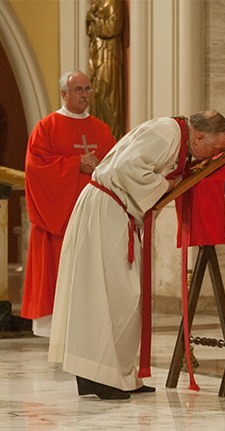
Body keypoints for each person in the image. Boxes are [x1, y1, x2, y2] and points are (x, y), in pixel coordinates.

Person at [48, 111, 225, 400]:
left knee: (117, 296)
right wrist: (169, 185)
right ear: (198, 136)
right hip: (106, 210)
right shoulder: (166, 134)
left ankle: (110, 374)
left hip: (114, 212)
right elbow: (126, 170)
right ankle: (99, 377)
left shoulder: (177, 139)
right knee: (111, 295)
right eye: (216, 148)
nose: (215, 154)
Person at [21, 71, 116, 337]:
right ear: (64, 94)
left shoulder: (101, 129)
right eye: (78, 90)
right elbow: (35, 168)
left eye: (87, 89)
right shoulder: (46, 127)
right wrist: (76, 164)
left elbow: (114, 166)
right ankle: (55, 328)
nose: (85, 94)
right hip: (59, 218)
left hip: (92, 217)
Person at [86, 0, 125, 140]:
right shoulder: (98, 3)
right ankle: (98, 135)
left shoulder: (113, 2)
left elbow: (113, 27)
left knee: (106, 92)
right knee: (95, 93)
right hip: (97, 53)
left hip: (108, 54)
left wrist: (94, 18)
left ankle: (111, 136)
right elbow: (90, 31)